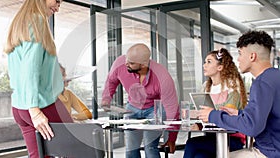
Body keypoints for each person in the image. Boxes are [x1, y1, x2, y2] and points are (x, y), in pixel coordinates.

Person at [4, 0, 73, 157]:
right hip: (41, 104)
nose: (57, 7)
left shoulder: (19, 23)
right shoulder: (37, 21)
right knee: (81, 148)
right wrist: (35, 111)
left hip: (20, 107)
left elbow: (22, 69)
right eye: (56, 1)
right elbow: (30, 69)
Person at [198, 30, 280, 158]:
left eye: (240, 54)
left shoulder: (261, 83)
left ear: (252, 56)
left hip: (270, 153)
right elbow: (268, 115)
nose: (238, 59)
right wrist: (239, 114)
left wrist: (212, 115)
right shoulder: (275, 77)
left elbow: (252, 127)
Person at [101, 43, 179, 158]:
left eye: (131, 63)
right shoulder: (120, 64)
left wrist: (172, 138)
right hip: (132, 108)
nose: (126, 64)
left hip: (154, 109)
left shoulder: (162, 76)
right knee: (131, 147)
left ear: (144, 64)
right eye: (127, 60)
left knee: (150, 146)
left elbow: (171, 107)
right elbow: (111, 81)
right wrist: (106, 99)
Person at [183, 48, 248, 158]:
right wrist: (195, 118)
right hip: (212, 138)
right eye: (204, 62)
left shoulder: (232, 88)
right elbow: (203, 114)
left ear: (220, 67)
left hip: (232, 139)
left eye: (209, 62)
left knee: (192, 144)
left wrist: (208, 114)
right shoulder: (206, 87)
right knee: (200, 156)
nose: (204, 65)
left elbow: (226, 117)